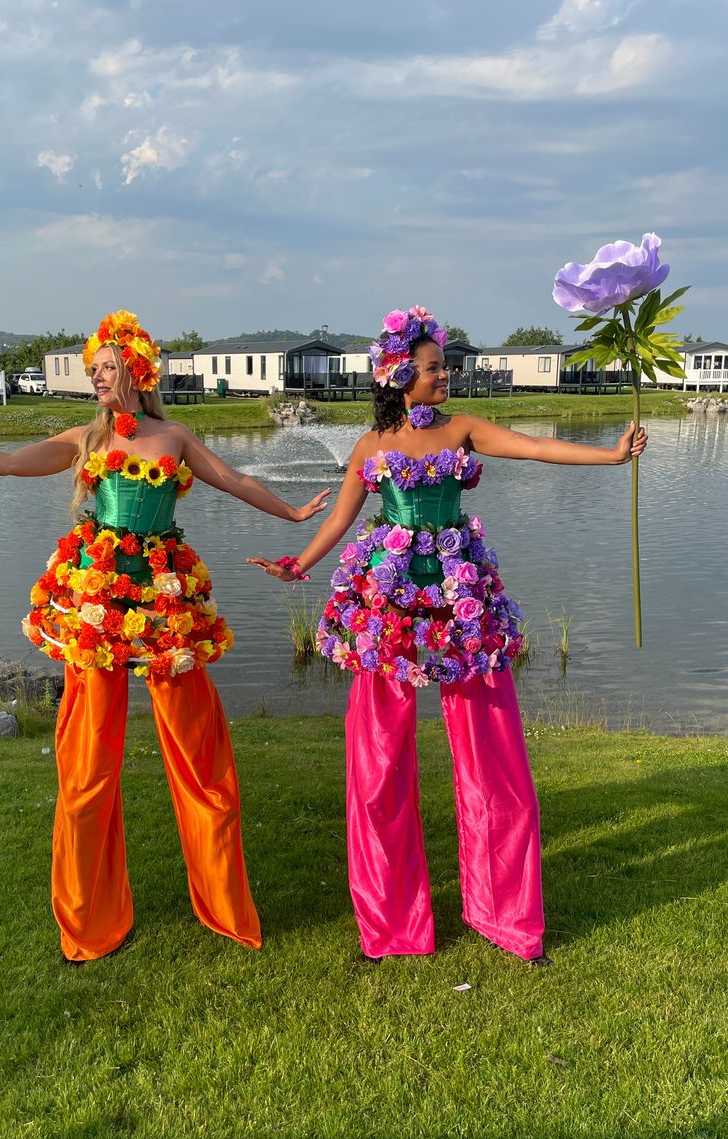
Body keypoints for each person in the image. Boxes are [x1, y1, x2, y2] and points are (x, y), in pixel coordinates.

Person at [249, 306, 647, 965]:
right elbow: (343, 519)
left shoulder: (461, 429)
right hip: (389, 608)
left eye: (445, 367)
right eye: (435, 368)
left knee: (496, 766)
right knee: (377, 770)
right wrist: (299, 564)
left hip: (465, 605)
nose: (446, 376)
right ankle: (391, 928)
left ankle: (508, 919)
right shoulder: (370, 448)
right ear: (401, 376)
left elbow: (536, 446)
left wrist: (609, 456)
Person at [0, 309, 329, 962]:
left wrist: (291, 511)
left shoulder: (174, 435)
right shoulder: (87, 438)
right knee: (87, 765)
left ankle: (224, 906)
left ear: (137, 372)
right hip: (96, 603)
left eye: (107, 368)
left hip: (167, 602)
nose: (96, 377)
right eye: (92, 369)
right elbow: (7, 463)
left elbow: (231, 479)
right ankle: (90, 923)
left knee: (202, 760)